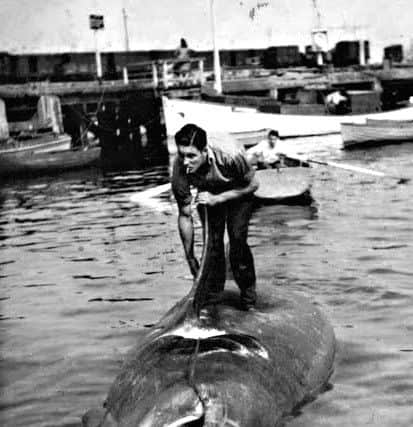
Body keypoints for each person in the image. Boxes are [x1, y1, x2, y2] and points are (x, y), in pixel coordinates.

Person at [172, 124, 259, 311]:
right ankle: (214, 297)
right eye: (182, 155)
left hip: (238, 189)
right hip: (209, 191)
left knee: (237, 240)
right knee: (213, 244)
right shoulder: (180, 166)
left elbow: (253, 185)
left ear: (205, 151)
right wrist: (190, 257)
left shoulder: (230, 154)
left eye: (191, 156)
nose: (186, 162)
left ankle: (248, 296)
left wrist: (219, 198)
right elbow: (184, 213)